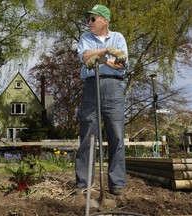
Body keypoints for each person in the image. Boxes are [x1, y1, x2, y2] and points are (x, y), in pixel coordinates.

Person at [75, 4, 128, 196]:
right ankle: (83, 183)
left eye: (92, 19)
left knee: (116, 135)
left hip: (113, 88)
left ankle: (117, 183)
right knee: (88, 135)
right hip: (91, 86)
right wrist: (107, 51)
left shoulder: (118, 37)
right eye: (88, 19)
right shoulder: (85, 38)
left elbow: (121, 65)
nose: (88, 23)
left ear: (104, 21)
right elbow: (85, 56)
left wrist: (104, 60)